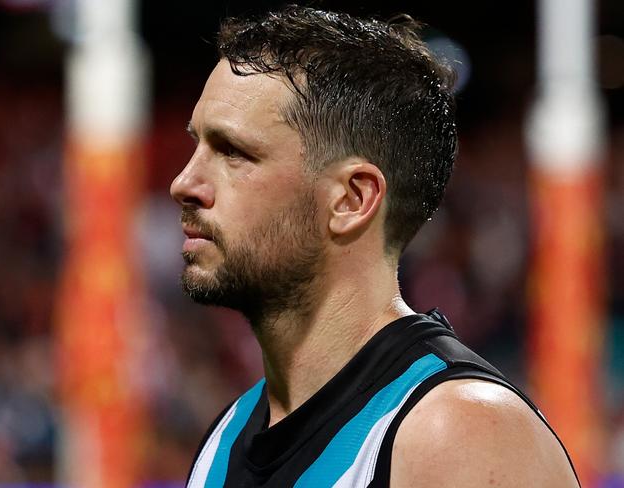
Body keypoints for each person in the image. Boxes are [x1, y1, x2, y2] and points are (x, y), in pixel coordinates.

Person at [170, 5, 580, 487]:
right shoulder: (224, 438)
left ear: (352, 198)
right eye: (197, 145)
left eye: (234, 153)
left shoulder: (457, 435)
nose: (184, 183)